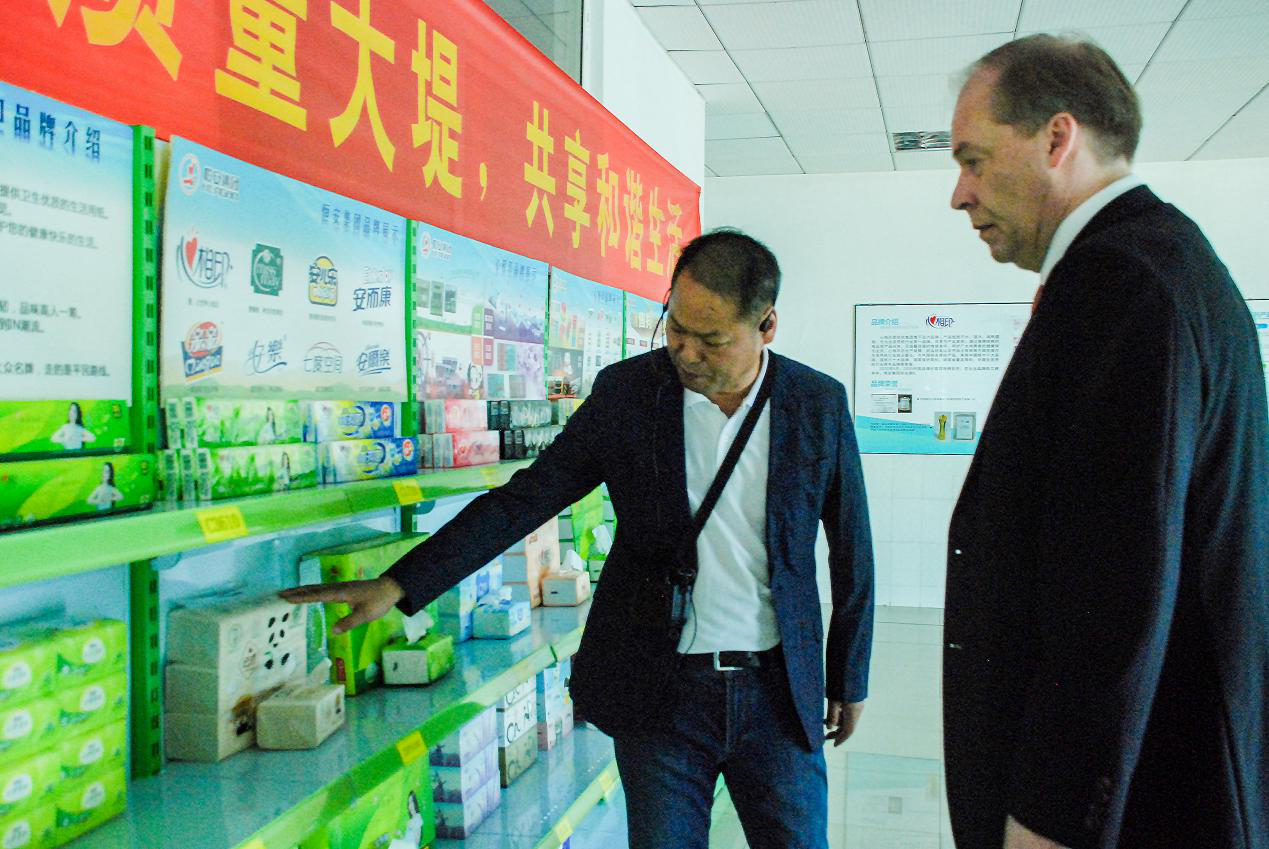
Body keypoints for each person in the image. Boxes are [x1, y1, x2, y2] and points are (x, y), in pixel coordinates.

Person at [282, 229, 875, 849]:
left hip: (777, 693)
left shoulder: (817, 404)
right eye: (675, 328)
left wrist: (849, 675)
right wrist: (402, 582)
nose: (686, 352)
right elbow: (527, 498)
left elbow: (852, 550)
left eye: (711, 340)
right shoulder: (629, 394)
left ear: (767, 325)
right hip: (658, 691)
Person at [945, 34, 1268, 849]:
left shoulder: (1122, 282)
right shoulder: (1165, 262)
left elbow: (1113, 590)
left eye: (974, 160)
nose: (959, 194)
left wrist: (1049, 821)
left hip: (1142, 801)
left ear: (1057, 138)